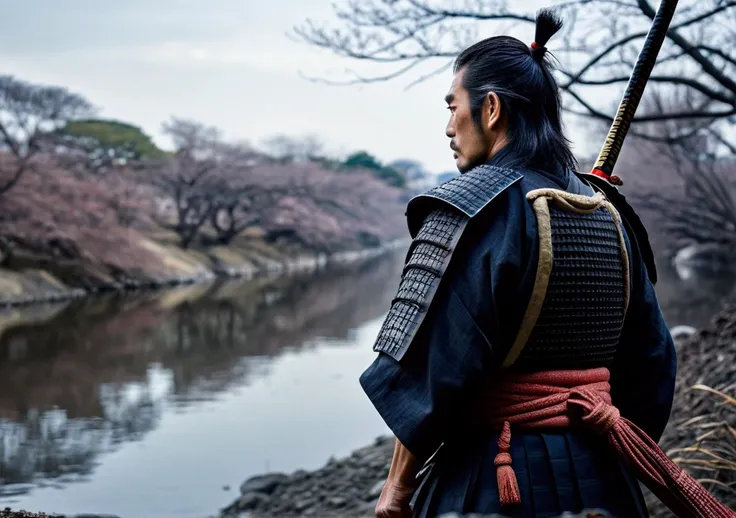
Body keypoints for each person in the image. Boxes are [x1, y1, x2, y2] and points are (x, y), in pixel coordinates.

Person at [358, 9, 680, 518]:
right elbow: (653, 362)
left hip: (496, 478)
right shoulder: (608, 212)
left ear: (490, 109)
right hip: (607, 475)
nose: (448, 127)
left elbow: (434, 367)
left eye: (452, 107)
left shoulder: (468, 208)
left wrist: (398, 486)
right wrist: (599, 434)